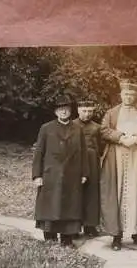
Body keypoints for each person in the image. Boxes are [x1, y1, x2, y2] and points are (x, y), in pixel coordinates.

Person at [99, 78, 137, 251]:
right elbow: (104, 130)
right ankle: (116, 237)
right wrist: (120, 137)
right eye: (126, 94)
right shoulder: (111, 113)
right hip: (116, 157)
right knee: (117, 193)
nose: (129, 97)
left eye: (132, 95)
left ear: (136, 96)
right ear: (121, 95)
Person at [32, 97, 89, 248]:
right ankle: (49, 238)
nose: (63, 111)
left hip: (72, 174)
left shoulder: (78, 129)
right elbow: (39, 152)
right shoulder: (46, 128)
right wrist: (37, 175)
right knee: (50, 205)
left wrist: (84, 173)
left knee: (69, 206)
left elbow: (83, 152)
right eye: (60, 109)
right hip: (51, 174)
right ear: (55, 111)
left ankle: (67, 240)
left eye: (66, 108)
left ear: (71, 111)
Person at [73, 100, 102, 238]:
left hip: (92, 162)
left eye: (90, 111)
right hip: (75, 161)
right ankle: (73, 227)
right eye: (84, 111)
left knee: (92, 193)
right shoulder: (72, 125)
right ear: (78, 111)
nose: (87, 114)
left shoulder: (97, 127)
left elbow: (101, 148)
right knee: (76, 193)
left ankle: (90, 226)